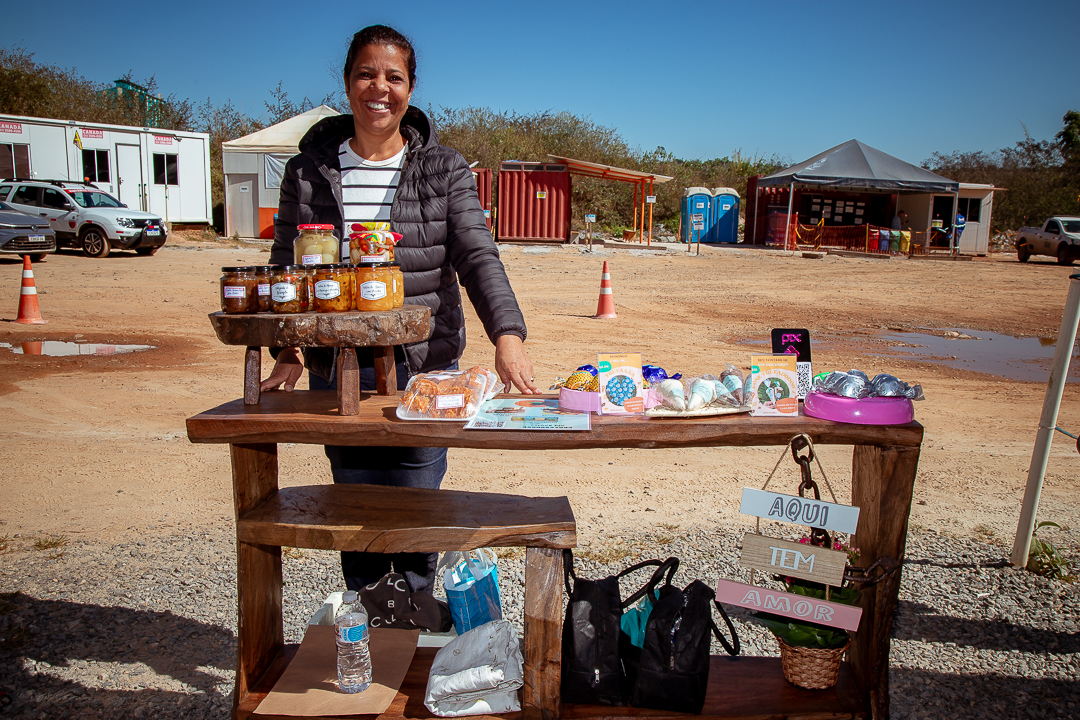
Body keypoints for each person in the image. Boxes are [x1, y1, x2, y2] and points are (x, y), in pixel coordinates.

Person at [261, 24, 539, 595]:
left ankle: (412, 634)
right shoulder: (309, 170)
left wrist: (507, 334)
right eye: (366, 73)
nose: (379, 87)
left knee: (415, 512)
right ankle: (366, 634)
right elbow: (285, 261)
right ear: (347, 82)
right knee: (357, 511)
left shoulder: (442, 169)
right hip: (338, 367)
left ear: (411, 88)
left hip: (423, 367)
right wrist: (287, 348)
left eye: (394, 76)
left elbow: (477, 255)